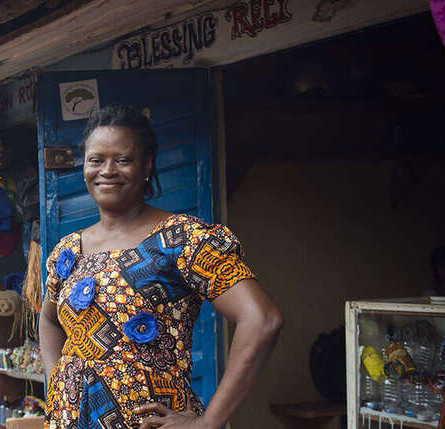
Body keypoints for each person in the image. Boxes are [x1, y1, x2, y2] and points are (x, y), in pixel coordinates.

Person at [38, 106, 283, 429]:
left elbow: (262, 319)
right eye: (96, 160)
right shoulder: (68, 251)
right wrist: (61, 385)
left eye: (122, 160)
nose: (107, 171)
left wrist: (207, 422)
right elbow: (50, 319)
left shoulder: (181, 239)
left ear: (147, 165)